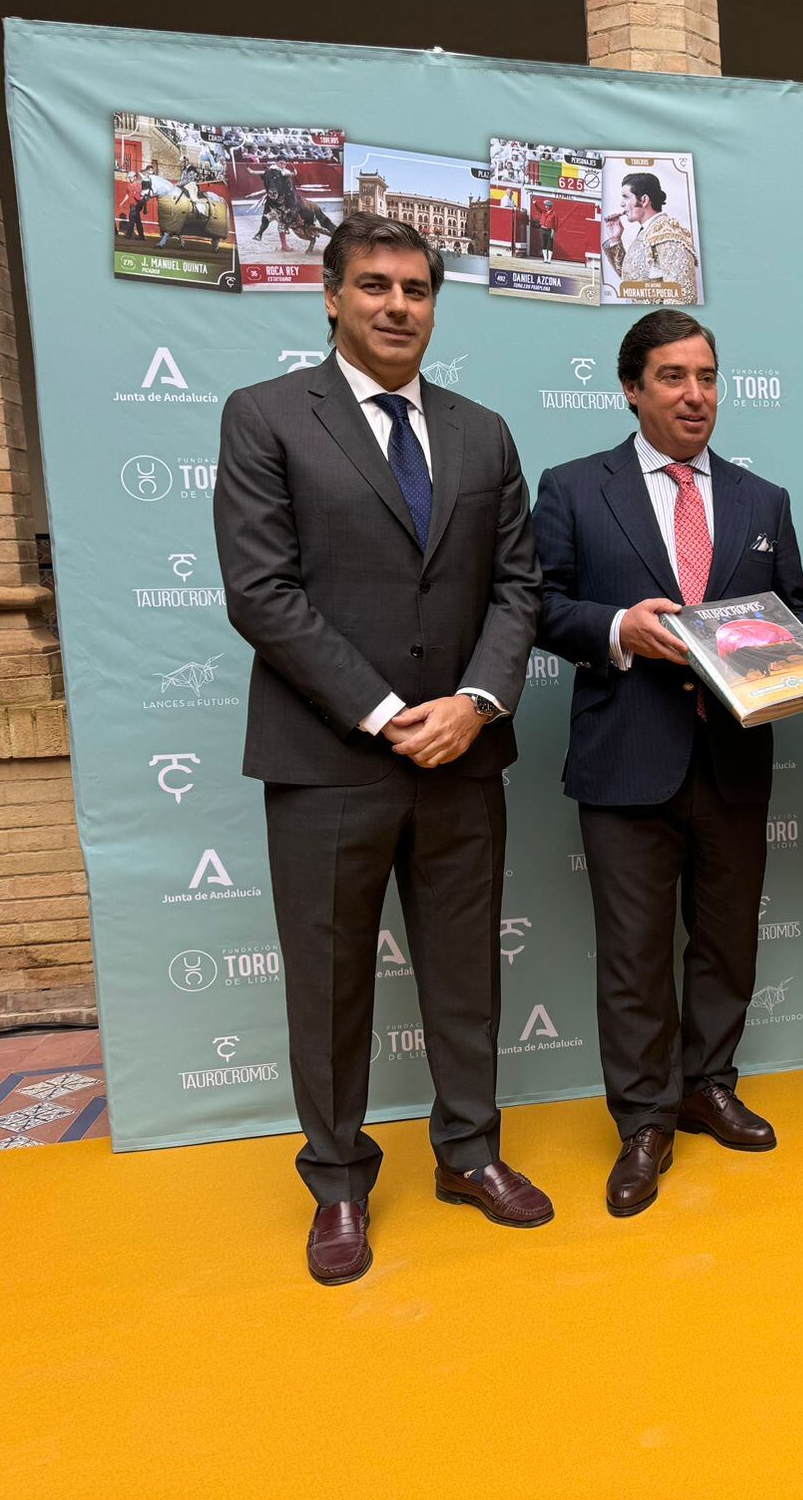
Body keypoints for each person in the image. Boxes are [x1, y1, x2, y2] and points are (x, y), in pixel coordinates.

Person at [213, 213, 546, 1287]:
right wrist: (387, 710)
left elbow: (516, 586)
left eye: (415, 289)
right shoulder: (265, 417)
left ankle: (468, 1155)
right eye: (375, 286)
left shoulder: (483, 432)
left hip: (463, 758)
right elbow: (260, 592)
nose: (397, 306)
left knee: (463, 980)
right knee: (328, 986)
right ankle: (339, 1186)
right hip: (329, 762)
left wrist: (478, 701)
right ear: (330, 296)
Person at [534, 309, 803, 1213]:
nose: (694, 395)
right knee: (634, 954)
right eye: (672, 378)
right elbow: (539, 606)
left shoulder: (760, 498)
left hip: (734, 756)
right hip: (627, 758)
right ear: (631, 388)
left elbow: (796, 613)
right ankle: (645, 1120)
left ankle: (708, 1084)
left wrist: (787, 652)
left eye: (706, 377)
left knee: (727, 941)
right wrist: (620, 629)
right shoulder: (577, 488)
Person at [603, 171, 699, 304]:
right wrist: (615, 239)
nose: (621, 203)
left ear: (643, 200)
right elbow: (632, 279)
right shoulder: (649, 231)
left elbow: (682, 295)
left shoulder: (668, 233)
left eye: (626, 197)